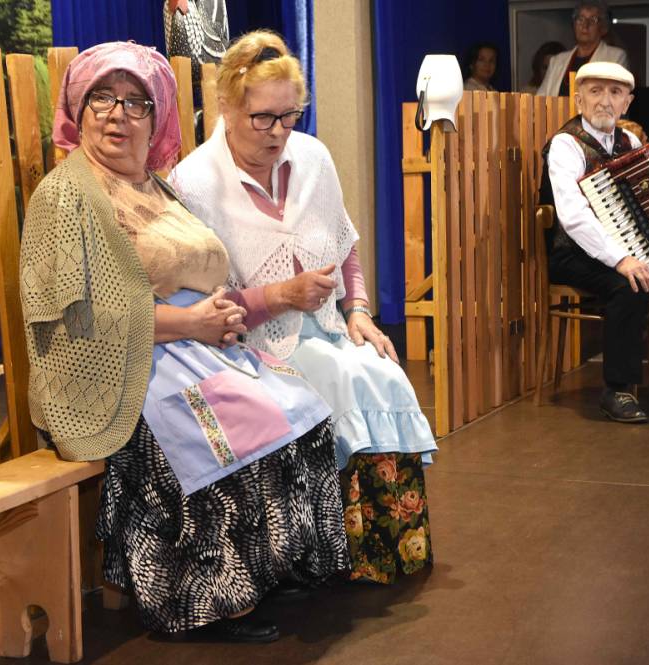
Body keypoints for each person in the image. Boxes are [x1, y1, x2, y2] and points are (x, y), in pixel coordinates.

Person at [19, 41, 349, 642]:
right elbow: (75, 321)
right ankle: (206, 598)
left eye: (136, 103)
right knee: (240, 429)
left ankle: (268, 567)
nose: (117, 115)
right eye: (102, 99)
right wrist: (189, 324)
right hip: (117, 369)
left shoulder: (155, 186)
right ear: (79, 109)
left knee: (302, 412)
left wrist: (216, 314)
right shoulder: (67, 194)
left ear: (157, 117)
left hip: (193, 347)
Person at [169, 30, 437, 585]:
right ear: (227, 107)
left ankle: (386, 551)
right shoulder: (195, 184)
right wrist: (280, 296)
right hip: (249, 346)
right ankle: (327, 558)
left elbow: (344, 244)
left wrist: (358, 309)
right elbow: (208, 310)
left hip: (329, 325)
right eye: (263, 118)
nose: (278, 132)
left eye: (289, 116)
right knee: (343, 379)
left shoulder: (312, 157)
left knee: (383, 372)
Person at [540, 61, 649, 423]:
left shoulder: (631, 142)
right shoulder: (565, 145)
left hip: (630, 249)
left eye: (615, 92)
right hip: (572, 253)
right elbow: (573, 217)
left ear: (627, 103)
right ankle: (617, 390)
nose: (605, 100)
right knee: (629, 284)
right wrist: (621, 259)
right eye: (595, 91)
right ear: (579, 99)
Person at [536, 0, 628, 97]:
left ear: (603, 27)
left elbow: (615, 97)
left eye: (593, 20)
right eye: (580, 19)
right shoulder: (557, 61)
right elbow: (541, 98)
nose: (585, 26)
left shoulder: (615, 57)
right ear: (574, 25)